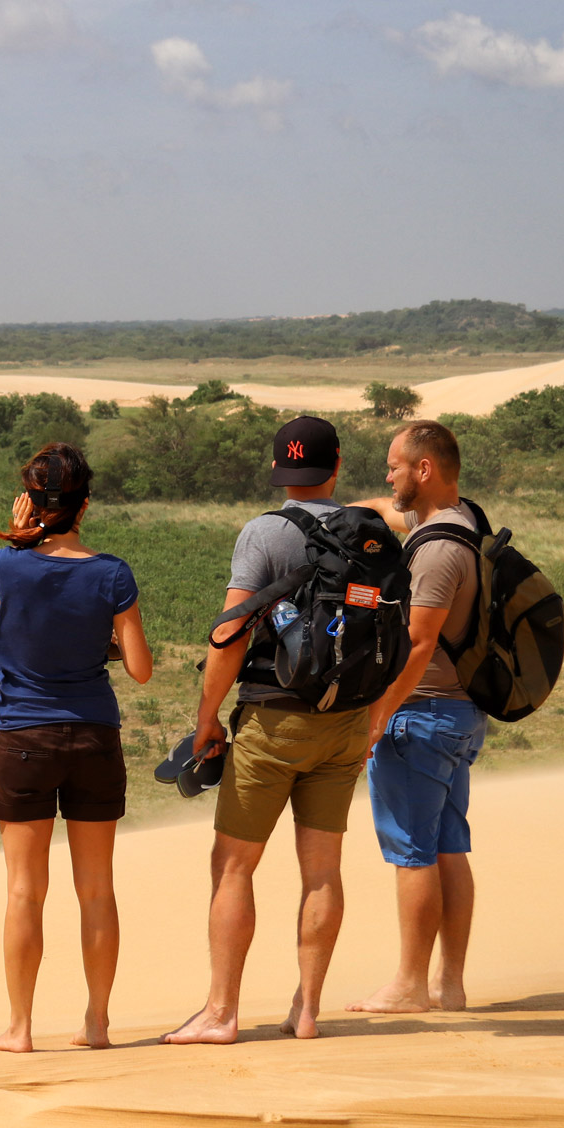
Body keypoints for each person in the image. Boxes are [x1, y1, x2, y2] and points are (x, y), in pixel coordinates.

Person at [163, 415, 366, 1045]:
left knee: (233, 866)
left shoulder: (264, 532)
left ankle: (222, 1012)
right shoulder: (371, 532)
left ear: (280, 472)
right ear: (336, 467)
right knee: (323, 871)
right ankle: (306, 1011)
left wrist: (205, 721)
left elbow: (229, 634)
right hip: (348, 720)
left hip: (275, 721)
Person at [0, 442, 153, 1053]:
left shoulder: (7, 565)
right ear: (86, 504)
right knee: (97, 889)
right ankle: (98, 1023)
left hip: (24, 737)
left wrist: (25, 536)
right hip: (92, 735)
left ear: (32, 501)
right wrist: (103, 640)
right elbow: (138, 670)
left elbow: (8, 602)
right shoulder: (113, 573)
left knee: (26, 891)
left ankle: (21, 1029)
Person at [345, 420, 485, 1015]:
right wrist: (335, 510)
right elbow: (386, 507)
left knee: (412, 854)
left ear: (424, 470)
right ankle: (448, 985)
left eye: (396, 465)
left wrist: (379, 714)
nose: (388, 474)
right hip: (458, 714)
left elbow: (419, 642)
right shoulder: (464, 521)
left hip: (419, 718)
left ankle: (408, 984)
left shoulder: (434, 553)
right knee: (448, 846)